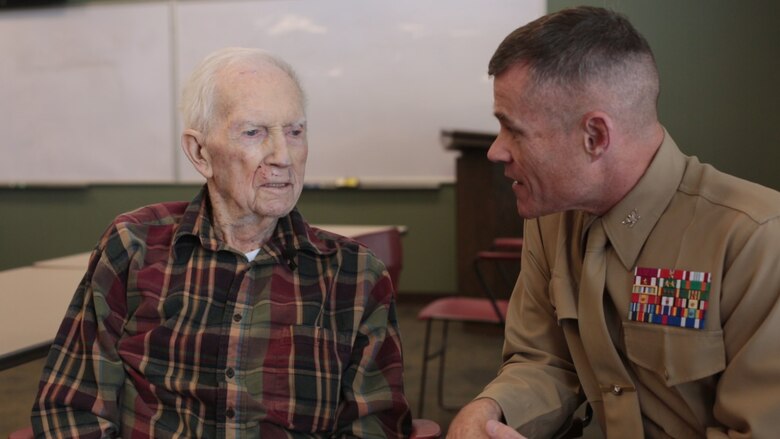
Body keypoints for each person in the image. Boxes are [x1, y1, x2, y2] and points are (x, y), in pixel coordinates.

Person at [31, 47, 411, 438]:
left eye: (295, 132)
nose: (283, 156)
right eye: (254, 132)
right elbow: (71, 407)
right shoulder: (134, 246)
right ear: (200, 153)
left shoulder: (354, 275)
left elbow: (375, 427)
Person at [448, 6, 780, 439]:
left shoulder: (755, 239)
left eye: (514, 130)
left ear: (596, 137)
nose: (496, 151)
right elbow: (545, 360)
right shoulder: (552, 218)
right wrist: (489, 413)